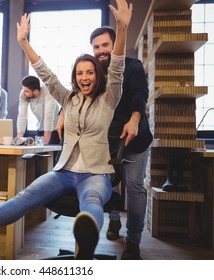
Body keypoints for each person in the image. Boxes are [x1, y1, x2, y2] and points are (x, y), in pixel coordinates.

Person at [0, 0, 132, 259]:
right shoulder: (68, 99)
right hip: (64, 172)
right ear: (75, 78)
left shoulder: (109, 98)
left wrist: (122, 27)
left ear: (97, 75)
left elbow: (117, 67)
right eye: (79, 74)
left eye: (90, 73)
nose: (84, 77)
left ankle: (86, 242)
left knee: (92, 201)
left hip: (96, 172)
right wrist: (23, 42)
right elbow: (46, 74)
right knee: (27, 194)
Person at [56, 26, 153, 259]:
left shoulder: (132, 66)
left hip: (134, 137)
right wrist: (62, 114)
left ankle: (133, 242)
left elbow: (140, 94)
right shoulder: (94, 70)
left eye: (105, 45)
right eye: (96, 47)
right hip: (105, 141)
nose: (101, 51)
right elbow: (75, 94)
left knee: (134, 188)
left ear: (114, 45)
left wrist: (135, 119)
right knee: (107, 184)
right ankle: (113, 222)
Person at [17, 75, 60, 145]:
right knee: (38, 154)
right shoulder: (23, 94)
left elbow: (48, 115)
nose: (24, 93)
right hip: (40, 127)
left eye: (26, 91)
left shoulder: (48, 92)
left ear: (36, 91)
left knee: (49, 152)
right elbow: (22, 116)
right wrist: (19, 139)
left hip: (54, 128)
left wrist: (45, 142)